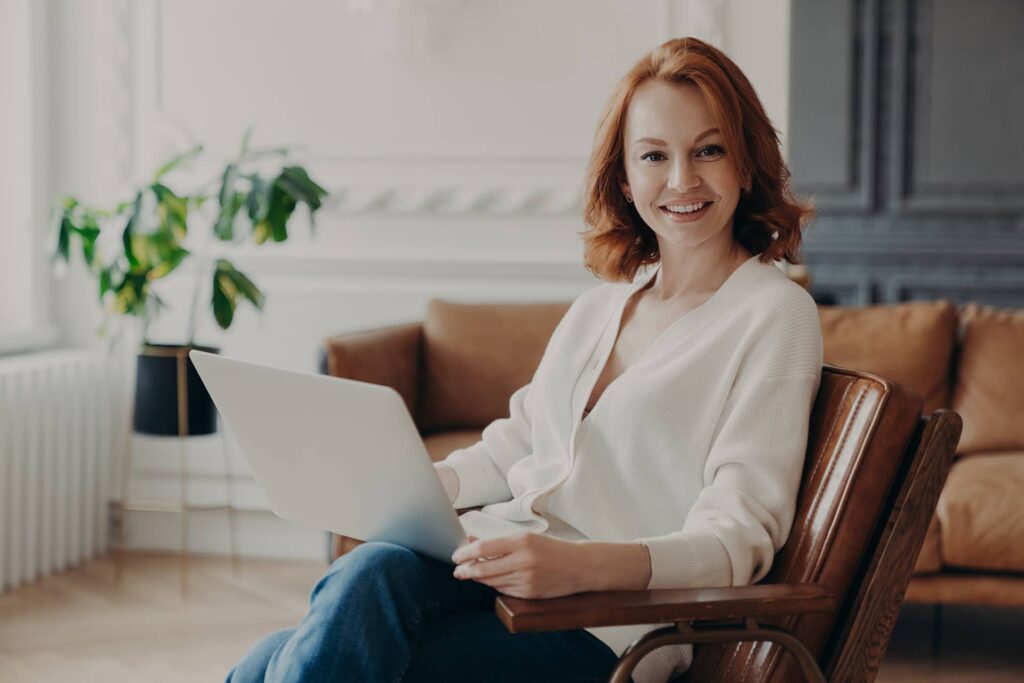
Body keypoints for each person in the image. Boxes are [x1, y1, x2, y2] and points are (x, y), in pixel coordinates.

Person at [227, 36, 822, 683]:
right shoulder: (601, 306)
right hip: (496, 566)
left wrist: (582, 566)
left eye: (709, 149)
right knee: (370, 569)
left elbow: (739, 537)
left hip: (606, 623)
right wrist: (419, 488)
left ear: (746, 161)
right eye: (655, 155)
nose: (682, 179)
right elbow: (519, 444)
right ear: (624, 176)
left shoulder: (772, 313)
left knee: (271, 662)